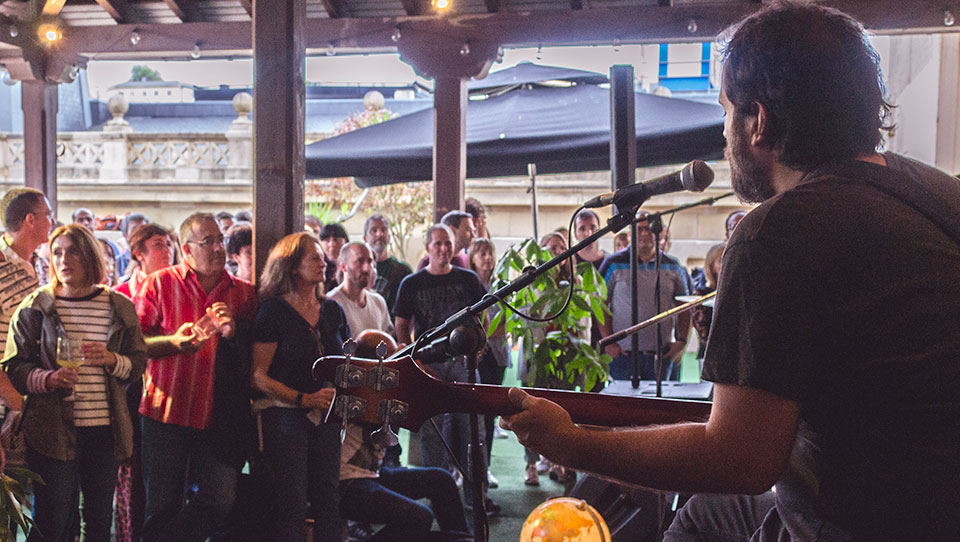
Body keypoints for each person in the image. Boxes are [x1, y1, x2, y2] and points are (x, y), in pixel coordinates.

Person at [502, 4, 960, 541]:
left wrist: (570, 442)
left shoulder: (778, 231)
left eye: (725, 112)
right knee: (706, 516)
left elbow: (738, 460)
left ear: (759, 121)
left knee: (697, 519)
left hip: (857, 522)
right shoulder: (940, 194)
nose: (724, 134)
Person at [4, 224, 147, 542]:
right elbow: (14, 367)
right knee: (52, 522)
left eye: (73, 251)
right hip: (52, 430)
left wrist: (111, 359)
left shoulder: (117, 306)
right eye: (56, 252)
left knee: (98, 521)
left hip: (104, 430)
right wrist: (48, 378)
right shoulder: (36, 307)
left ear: (90, 257)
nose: (63, 259)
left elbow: (137, 364)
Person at [135, 213, 258, 542]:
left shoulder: (244, 294)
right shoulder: (159, 284)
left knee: (220, 499)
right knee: (162, 505)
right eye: (209, 242)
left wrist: (236, 331)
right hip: (166, 412)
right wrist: (173, 343)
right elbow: (132, 345)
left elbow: (259, 353)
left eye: (221, 240)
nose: (218, 248)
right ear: (186, 249)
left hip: (220, 417)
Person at [251, 232, 348, 542]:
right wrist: (304, 398)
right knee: (291, 501)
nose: (324, 262)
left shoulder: (331, 310)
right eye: (314, 258)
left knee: (329, 499)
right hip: (285, 415)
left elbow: (345, 360)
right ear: (293, 267)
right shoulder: (273, 312)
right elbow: (257, 376)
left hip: (327, 415)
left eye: (323, 257)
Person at [393, 224, 491, 509]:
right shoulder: (411, 283)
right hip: (428, 364)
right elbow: (401, 323)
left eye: (447, 243)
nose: (443, 249)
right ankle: (438, 495)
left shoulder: (468, 279)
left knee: (474, 430)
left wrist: (479, 345)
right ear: (427, 248)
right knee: (431, 432)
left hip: (463, 363)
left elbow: (482, 314)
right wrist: (413, 358)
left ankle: (478, 495)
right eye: (437, 244)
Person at [113, 222, 175, 542]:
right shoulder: (120, 295)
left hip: (169, 391)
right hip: (130, 390)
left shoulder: (177, 290)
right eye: (159, 245)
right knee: (132, 474)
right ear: (138, 253)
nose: (168, 250)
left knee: (164, 477)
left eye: (169, 244)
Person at [598, 213, 692, 381]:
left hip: (662, 354)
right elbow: (600, 303)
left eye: (649, 228)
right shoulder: (612, 263)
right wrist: (608, 342)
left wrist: (682, 341)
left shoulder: (673, 266)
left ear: (660, 233)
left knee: (661, 406)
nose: (645, 233)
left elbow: (684, 306)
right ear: (629, 235)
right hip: (623, 354)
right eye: (639, 229)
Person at [0, 188, 52, 413]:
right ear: (30, 220)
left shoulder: (41, 264)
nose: (52, 222)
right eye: (48, 215)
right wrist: (15, 402)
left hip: (34, 393)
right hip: (6, 403)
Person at [467, 237, 508, 489]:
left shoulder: (500, 286)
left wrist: (483, 333)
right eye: (480, 252)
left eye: (489, 252)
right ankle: (463, 466)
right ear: (472, 257)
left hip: (495, 353)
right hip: (473, 354)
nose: (486, 257)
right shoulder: (468, 283)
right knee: (470, 413)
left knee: (490, 414)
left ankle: (486, 466)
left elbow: (504, 324)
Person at [328, 242, 393, 340]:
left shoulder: (378, 301)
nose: (366, 268)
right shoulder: (332, 303)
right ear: (343, 266)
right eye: (360, 261)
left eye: (370, 261)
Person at [364, 214, 412, 317]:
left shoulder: (403, 270)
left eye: (384, 230)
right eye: (374, 230)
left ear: (389, 237)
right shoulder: (359, 269)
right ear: (365, 238)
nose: (379, 234)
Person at [319, 222, 349, 293]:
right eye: (327, 240)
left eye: (336, 239)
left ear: (345, 241)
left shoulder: (353, 266)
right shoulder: (318, 267)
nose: (332, 244)